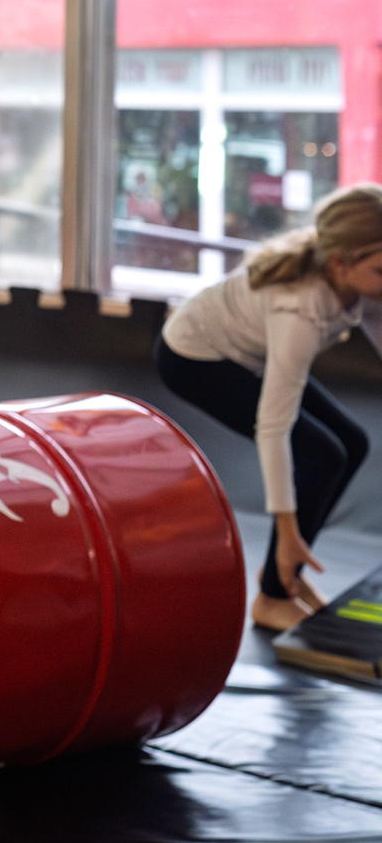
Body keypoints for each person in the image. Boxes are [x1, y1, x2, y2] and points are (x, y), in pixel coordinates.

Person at [156, 184, 382, 631]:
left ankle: (284, 573)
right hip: (193, 358)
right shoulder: (298, 309)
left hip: (250, 349)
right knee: (320, 453)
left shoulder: (361, 279)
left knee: (352, 443)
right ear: (341, 262)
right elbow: (273, 429)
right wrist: (287, 527)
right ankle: (273, 596)